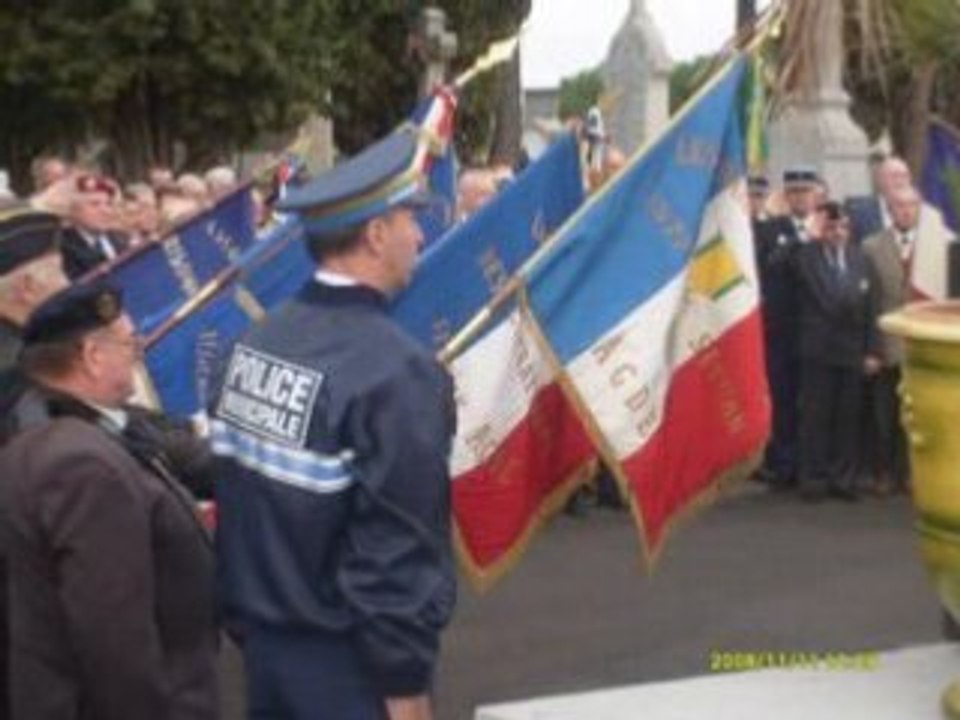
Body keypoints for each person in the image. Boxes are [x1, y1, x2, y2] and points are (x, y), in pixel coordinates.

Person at [210, 127, 457, 720]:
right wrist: (404, 682)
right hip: (349, 669)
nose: (420, 235)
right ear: (376, 234)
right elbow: (395, 550)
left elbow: (236, 505)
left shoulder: (253, 342)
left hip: (266, 656)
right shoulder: (395, 372)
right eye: (409, 219)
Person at [0, 281, 219, 720]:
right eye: (129, 343)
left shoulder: (69, 425)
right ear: (93, 356)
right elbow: (116, 644)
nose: (138, 353)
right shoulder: (79, 466)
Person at [793, 201, 876, 502]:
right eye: (831, 227)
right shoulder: (807, 256)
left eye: (843, 227)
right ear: (822, 230)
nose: (838, 233)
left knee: (847, 419)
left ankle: (844, 479)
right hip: (819, 350)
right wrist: (808, 234)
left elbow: (871, 308)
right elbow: (824, 294)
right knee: (816, 417)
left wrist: (871, 350)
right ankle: (814, 479)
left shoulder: (860, 258)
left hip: (852, 350)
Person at [753, 166, 819, 489]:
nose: (800, 198)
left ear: (815, 195)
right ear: (786, 196)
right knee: (783, 399)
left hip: (816, 330)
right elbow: (771, 262)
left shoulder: (829, 225)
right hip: (781, 330)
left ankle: (812, 465)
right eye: (794, 193)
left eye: (805, 192)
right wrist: (801, 238)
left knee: (815, 401)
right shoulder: (771, 229)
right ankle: (784, 464)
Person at [861, 186, 919, 495]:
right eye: (900, 206)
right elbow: (868, 303)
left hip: (920, 346)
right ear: (890, 209)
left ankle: (911, 473)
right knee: (883, 416)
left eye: (911, 205)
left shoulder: (934, 247)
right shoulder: (871, 246)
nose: (906, 211)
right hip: (885, 343)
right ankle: (883, 473)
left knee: (915, 417)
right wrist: (871, 348)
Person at [59, 174, 129, 279]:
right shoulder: (63, 248)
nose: (105, 211)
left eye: (108, 204)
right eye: (94, 204)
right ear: (73, 211)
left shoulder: (121, 239)